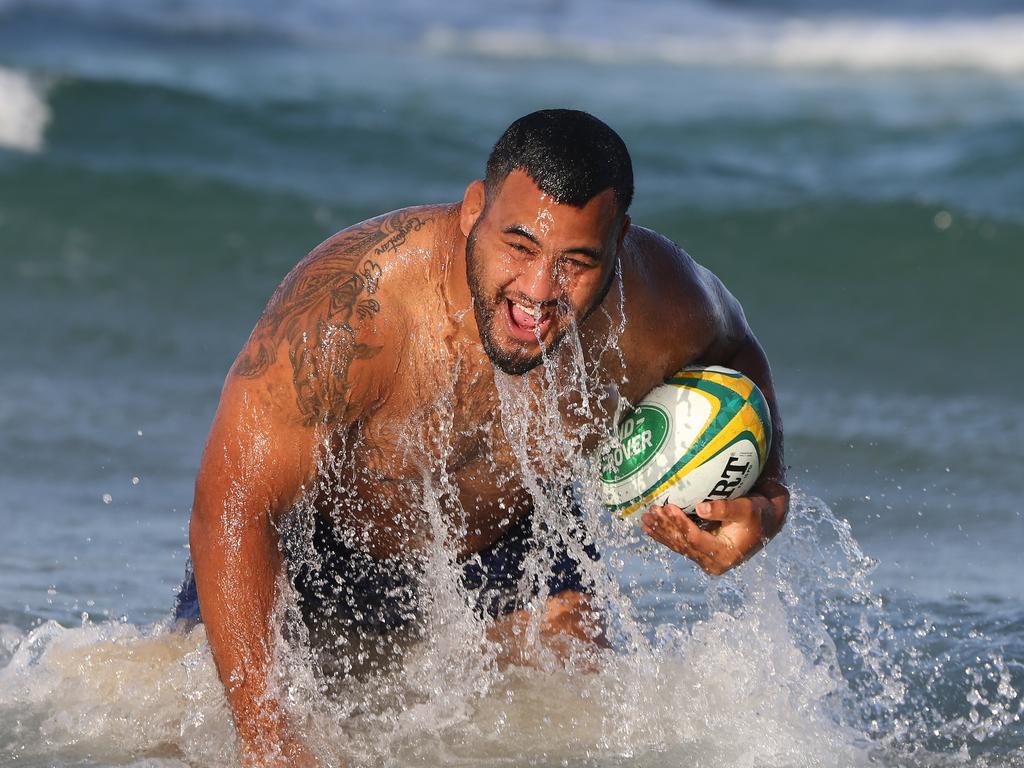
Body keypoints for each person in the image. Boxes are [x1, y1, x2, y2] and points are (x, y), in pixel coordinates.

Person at [181, 109, 789, 764]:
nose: (537, 292)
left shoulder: (660, 302)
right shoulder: (356, 307)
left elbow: (736, 350)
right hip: (310, 549)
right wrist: (267, 738)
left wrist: (766, 500)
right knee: (186, 722)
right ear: (475, 210)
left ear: (619, 243)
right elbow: (234, 508)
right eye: (520, 246)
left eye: (576, 262)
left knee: (579, 731)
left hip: (511, 535)